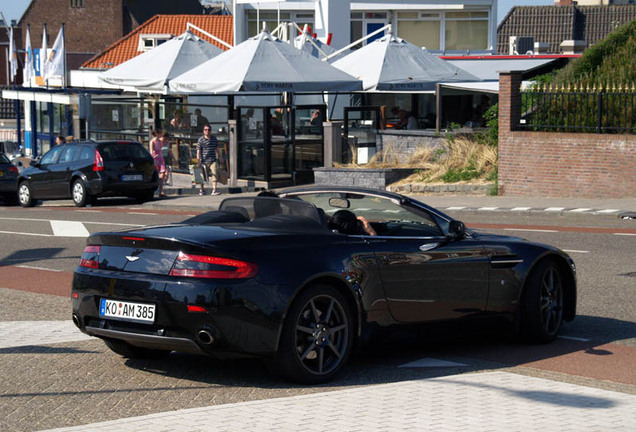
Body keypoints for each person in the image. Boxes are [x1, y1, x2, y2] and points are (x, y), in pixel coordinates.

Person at [197, 124, 220, 196]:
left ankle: (214, 190)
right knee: (203, 175)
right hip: (204, 160)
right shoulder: (201, 140)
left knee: (215, 174)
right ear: (203, 131)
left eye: (209, 130)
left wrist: (220, 157)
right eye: (205, 130)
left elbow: (217, 149)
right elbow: (198, 151)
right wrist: (198, 160)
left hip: (213, 159)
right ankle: (202, 190)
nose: (207, 131)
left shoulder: (214, 139)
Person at [150, 130, 167, 197]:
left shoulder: (160, 141)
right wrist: (153, 160)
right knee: (155, 174)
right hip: (156, 159)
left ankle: (161, 191)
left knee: (162, 174)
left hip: (161, 158)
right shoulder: (152, 142)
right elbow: (152, 152)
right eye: (159, 134)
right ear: (156, 134)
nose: (160, 135)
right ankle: (154, 190)